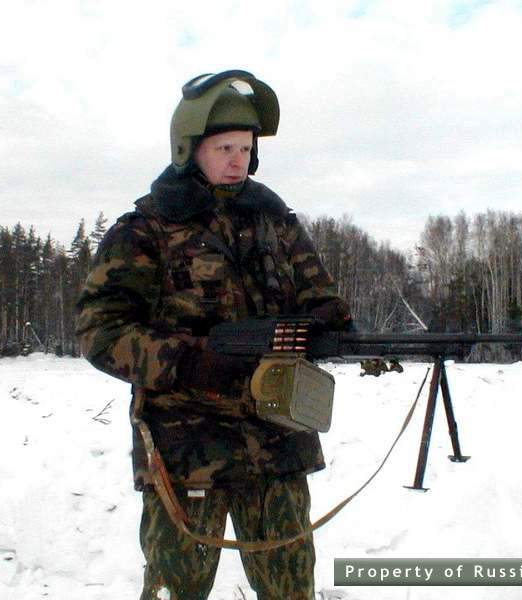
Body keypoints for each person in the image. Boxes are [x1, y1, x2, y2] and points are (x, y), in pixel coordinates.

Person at [75, 70, 351, 600]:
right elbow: (100, 331)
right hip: (187, 448)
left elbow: (320, 298)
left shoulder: (276, 223)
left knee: (291, 589)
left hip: (276, 442)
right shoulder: (146, 229)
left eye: (245, 148)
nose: (237, 160)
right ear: (189, 149)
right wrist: (190, 361)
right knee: (177, 588)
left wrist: (328, 323)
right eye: (224, 148)